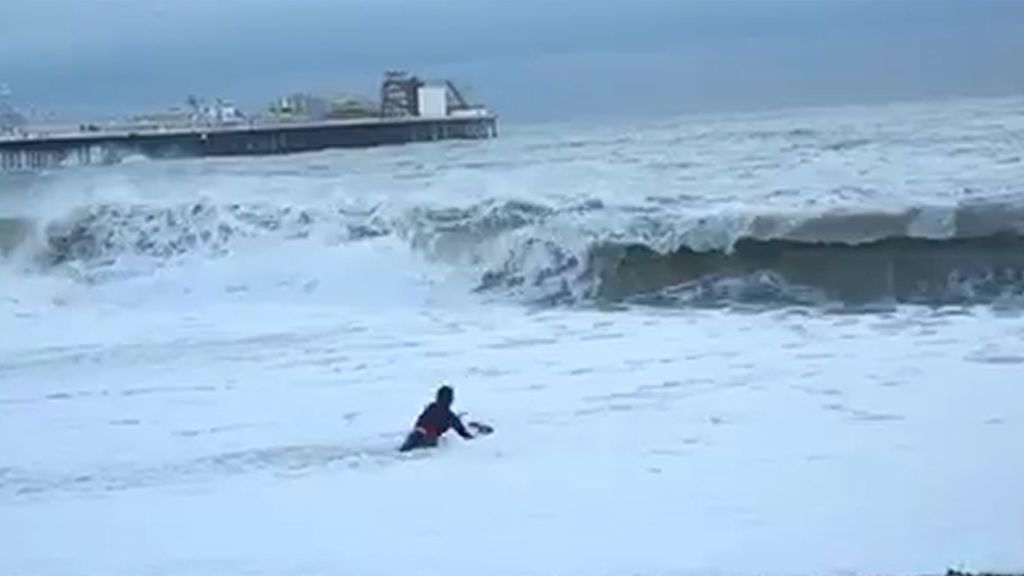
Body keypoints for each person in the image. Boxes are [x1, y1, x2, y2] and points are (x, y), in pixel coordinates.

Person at [399, 385, 488, 452]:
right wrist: (479, 434)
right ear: (450, 400)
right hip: (428, 440)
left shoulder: (430, 407)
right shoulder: (449, 416)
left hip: (414, 435)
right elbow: (463, 433)